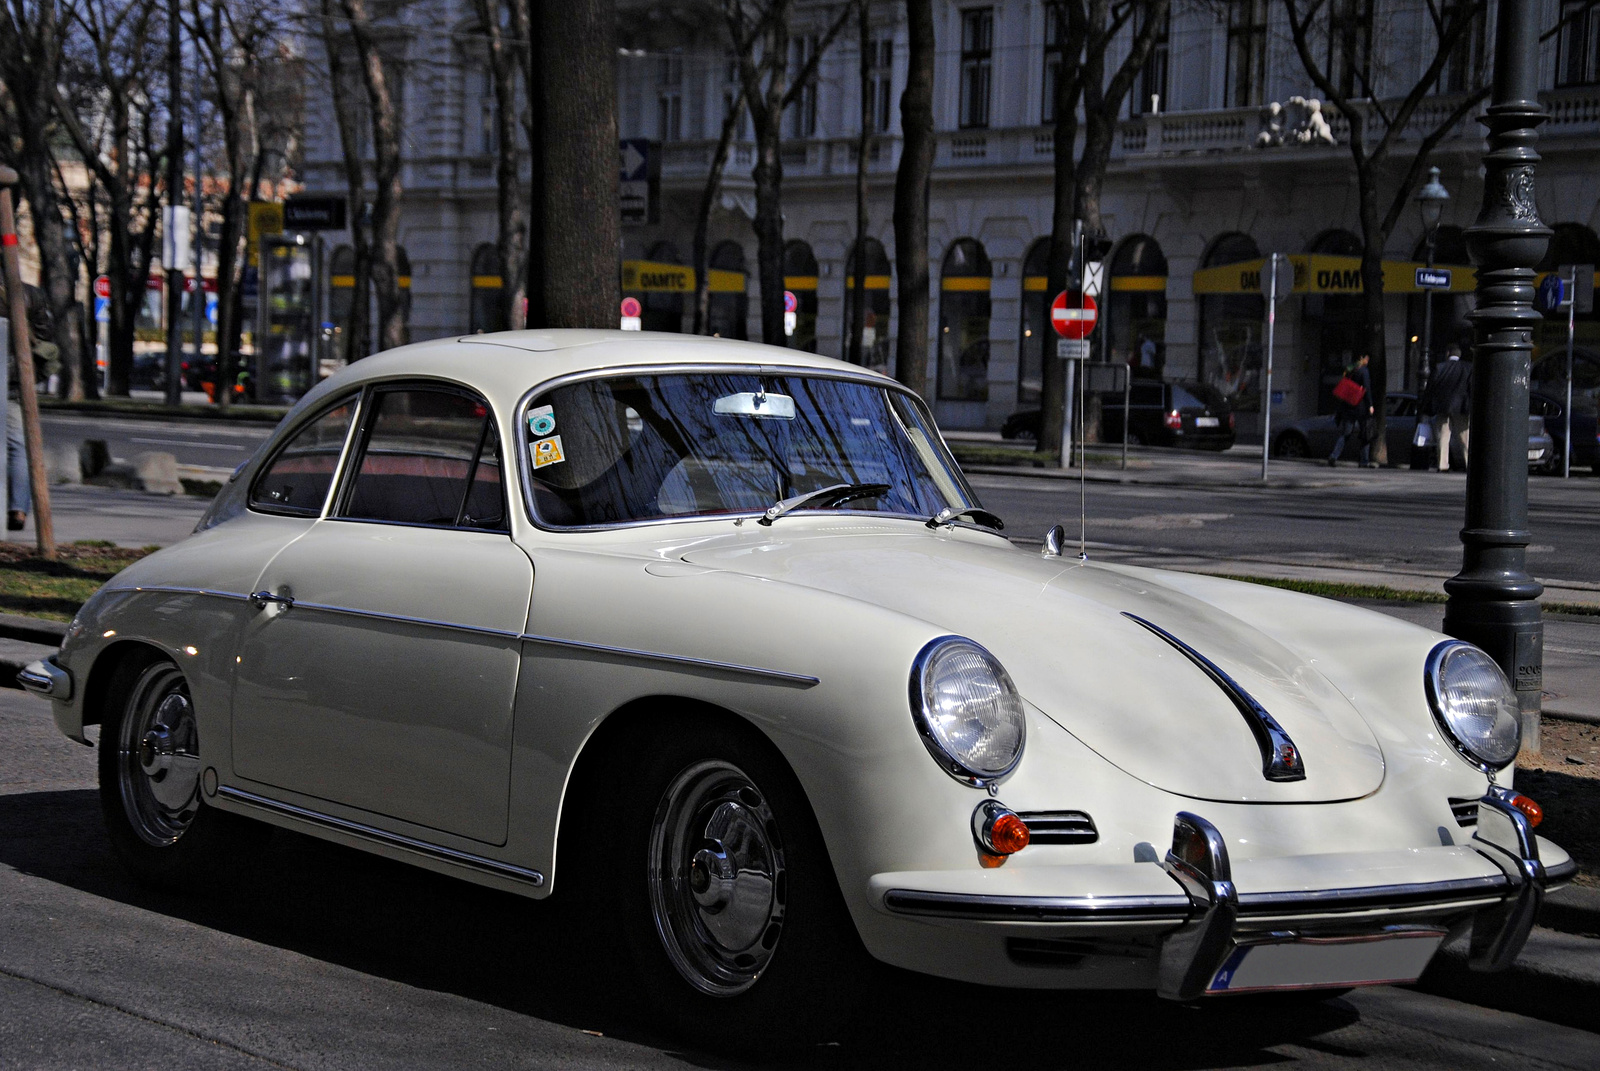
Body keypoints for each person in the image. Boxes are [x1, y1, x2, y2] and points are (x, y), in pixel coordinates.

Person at [1421, 343, 1470, 472]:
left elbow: (1430, 388)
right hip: (1461, 407)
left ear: (1448, 354)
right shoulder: (1467, 368)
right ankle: (1469, 463)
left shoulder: (1439, 367)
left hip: (1442, 406)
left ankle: (1443, 465)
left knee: (1443, 436)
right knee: (1465, 437)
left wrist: (1426, 406)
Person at [1328, 353, 1374, 467]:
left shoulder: (1350, 370)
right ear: (1362, 358)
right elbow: (1367, 388)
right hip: (1361, 406)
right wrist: (1370, 405)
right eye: (1367, 358)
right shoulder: (1364, 371)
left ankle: (1334, 456)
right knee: (1365, 434)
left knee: (1345, 433)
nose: (1368, 360)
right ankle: (1364, 461)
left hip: (1348, 405)